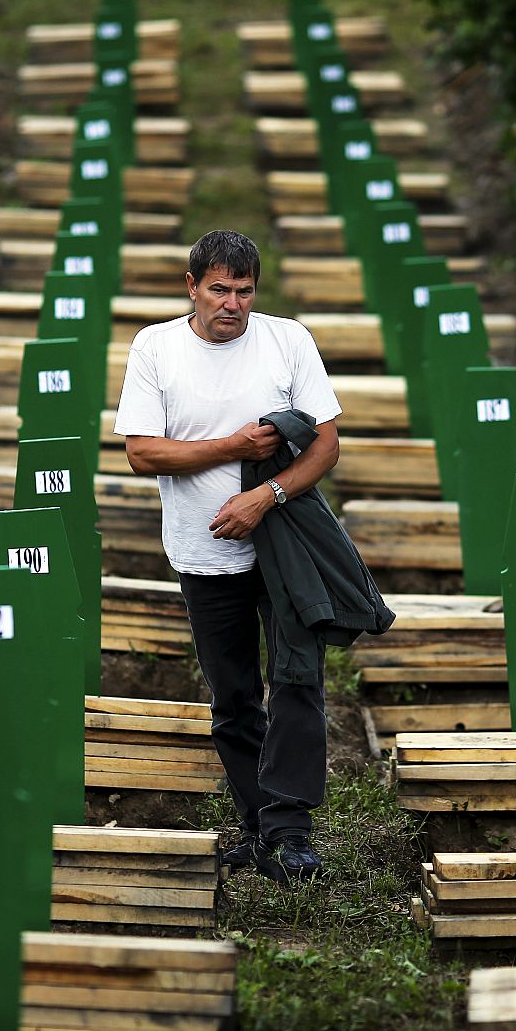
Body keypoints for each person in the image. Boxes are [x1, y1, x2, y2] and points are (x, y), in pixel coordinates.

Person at [114, 229, 342, 882]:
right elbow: (142, 452)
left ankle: (291, 829)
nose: (232, 304)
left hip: (283, 544)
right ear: (191, 287)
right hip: (201, 551)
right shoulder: (156, 348)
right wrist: (234, 446)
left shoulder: (288, 340)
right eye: (219, 289)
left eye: (244, 291)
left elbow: (325, 446)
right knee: (234, 695)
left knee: (298, 680)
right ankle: (256, 822)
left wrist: (264, 496)